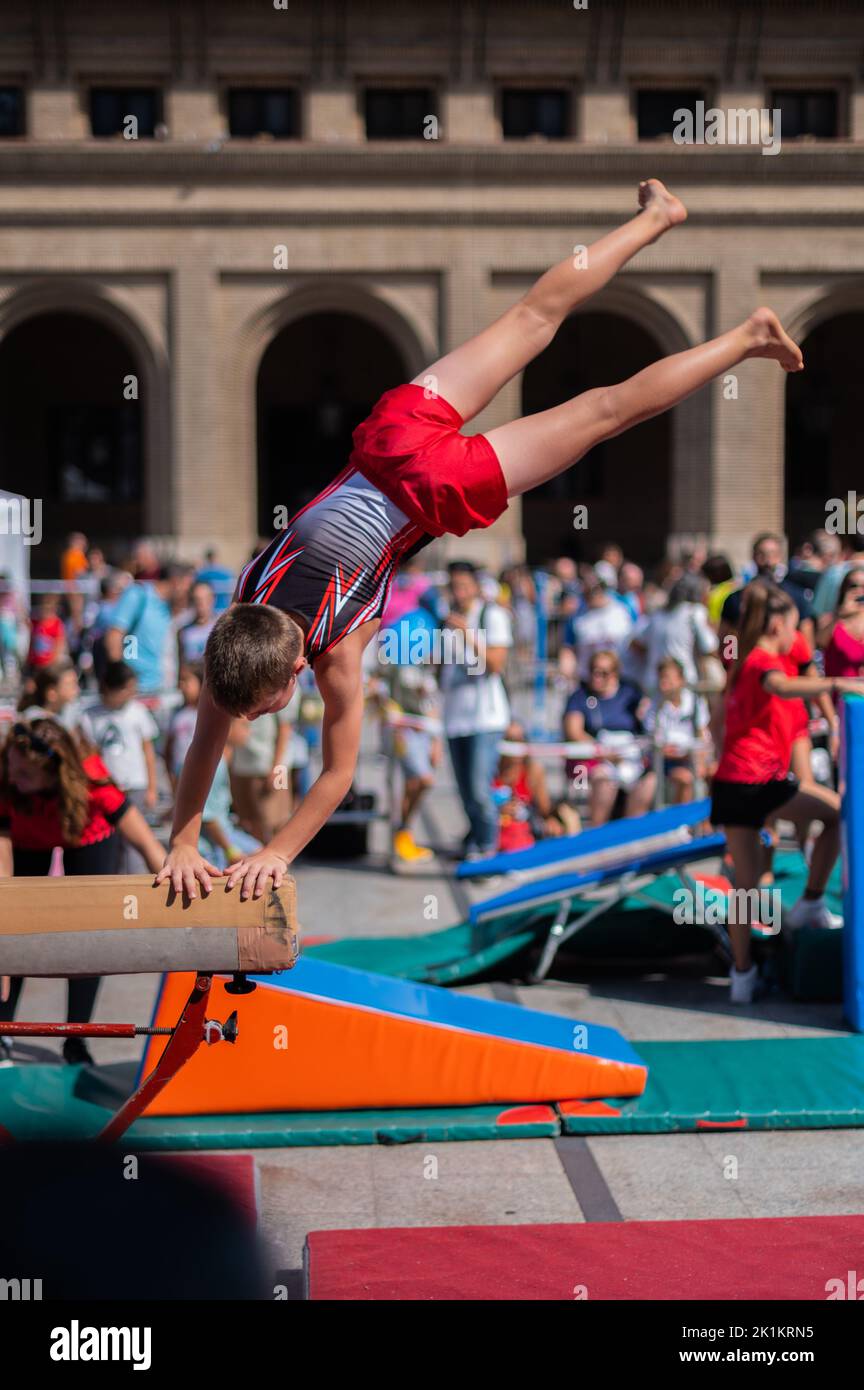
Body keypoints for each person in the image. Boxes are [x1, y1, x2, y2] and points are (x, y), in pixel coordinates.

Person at [158, 178, 804, 900]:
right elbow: (208, 739)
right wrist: (182, 841)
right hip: (390, 441)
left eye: (261, 706)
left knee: (604, 411)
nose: (252, 717)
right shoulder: (243, 614)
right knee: (534, 314)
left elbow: (336, 774)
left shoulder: (335, 653)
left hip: (440, 488)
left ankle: (746, 336)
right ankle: (656, 217)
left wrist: (272, 853)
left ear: (283, 682)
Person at [709, 581, 864, 1005]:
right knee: (838, 813)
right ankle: (810, 900)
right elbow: (779, 685)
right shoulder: (761, 659)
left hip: (733, 783)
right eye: (794, 628)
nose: (799, 638)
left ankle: (742, 975)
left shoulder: (741, 656)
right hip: (758, 782)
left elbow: (722, 719)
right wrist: (839, 684)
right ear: (778, 624)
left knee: (744, 884)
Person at [0, 718, 164, 1064]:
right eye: (12, 769)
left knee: (90, 938)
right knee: (12, 931)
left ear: (54, 773)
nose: (14, 778)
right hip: (28, 839)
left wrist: (171, 879)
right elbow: (3, 870)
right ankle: (3, 1031)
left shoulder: (91, 778)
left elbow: (149, 847)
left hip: (87, 837)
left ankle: (77, 1038)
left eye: (25, 774)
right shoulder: (7, 779)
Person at [438, 562, 512, 861]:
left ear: (475, 586)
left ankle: (488, 848)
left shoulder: (491, 615)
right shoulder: (447, 621)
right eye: (454, 586)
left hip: (486, 717)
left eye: (464, 586)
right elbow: (443, 668)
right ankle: (475, 840)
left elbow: (495, 665)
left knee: (480, 788)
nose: (459, 592)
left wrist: (468, 634)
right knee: (465, 790)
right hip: (455, 716)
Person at [78, 662, 160, 872]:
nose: (131, 693)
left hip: (134, 785)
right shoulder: (90, 715)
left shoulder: (138, 712)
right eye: (126, 688)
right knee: (109, 842)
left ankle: (135, 885)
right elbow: (89, 754)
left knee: (135, 844)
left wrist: (152, 787)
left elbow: (148, 752)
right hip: (106, 790)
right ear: (110, 688)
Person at [564, 648, 655, 826]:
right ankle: (598, 834)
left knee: (648, 782)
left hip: (630, 755)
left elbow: (647, 720)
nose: (597, 677)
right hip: (594, 759)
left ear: (615, 674)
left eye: (604, 673)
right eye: (594, 671)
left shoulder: (630, 692)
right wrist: (603, 752)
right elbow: (573, 731)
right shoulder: (580, 696)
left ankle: (632, 834)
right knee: (604, 781)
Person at [491, 720, 581, 852]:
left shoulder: (532, 771)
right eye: (510, 740)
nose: (516, 745)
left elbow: (545, 810)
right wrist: (498, 810)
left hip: (525, 834)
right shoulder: (489, 772)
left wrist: (553, 822)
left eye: (520, 740)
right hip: (496, 833)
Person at [632, 572, 718, 693]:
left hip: (654, 683)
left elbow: (636, 643)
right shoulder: (694, 612)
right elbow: (710, 646)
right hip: (683, 684)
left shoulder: (657, 614)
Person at [644, 657, 710, 804]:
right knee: (685, 778)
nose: (664, 683)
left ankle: (708, 823)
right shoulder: (653, 706)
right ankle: (681, 824)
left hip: (693, 757)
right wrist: (681, 754)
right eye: (661, 678)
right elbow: (656, 746)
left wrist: (700, 760)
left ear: (681, 680)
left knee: (713, 772)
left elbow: (702, 734)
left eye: (668, 678)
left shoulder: (695, 702)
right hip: (665, 763)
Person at [823, 567, 864, 683]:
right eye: (853, 586)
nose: (859, 591)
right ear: (844, 589)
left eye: (863, 586)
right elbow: (819, 642)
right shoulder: (830, 619)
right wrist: (839, 615)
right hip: (837, 694)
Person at [17, 660, 82, 731]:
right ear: (52, 693)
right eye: (71, 684)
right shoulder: (35, 721)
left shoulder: (68, 713)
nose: (77, 689)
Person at [177, 580, 217, 667]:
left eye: (206, 599)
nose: (201, 604)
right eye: (197, 599)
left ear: (212, 600)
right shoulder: (184, 632)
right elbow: (181, 664)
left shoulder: (219, 629)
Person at [26, 593, 67, 672]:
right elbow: (32, 642)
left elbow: (59, 645)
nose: (45, 609)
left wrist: (52, 664)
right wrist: (29, 659)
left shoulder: (57, 624)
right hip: (35, 665)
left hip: (48, 666)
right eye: (43, 606)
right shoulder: (36, 622)